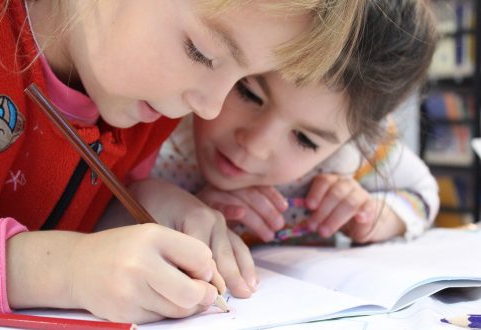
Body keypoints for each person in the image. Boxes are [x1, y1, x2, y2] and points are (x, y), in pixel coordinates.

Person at [0, 0, 367, 324]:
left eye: (242, 79)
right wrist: (64, 271)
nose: (211, 107)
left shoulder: (147, 109)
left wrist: (137, 206)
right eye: (203, 53)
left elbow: (61, 214)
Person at [149, 0, 439, 245]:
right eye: (248, 93)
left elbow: (423, 192)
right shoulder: (156, 121)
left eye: (305, 140)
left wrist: (377, 216)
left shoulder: (353, 158)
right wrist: (174, 211)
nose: (256, 145)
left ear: (353, 139)